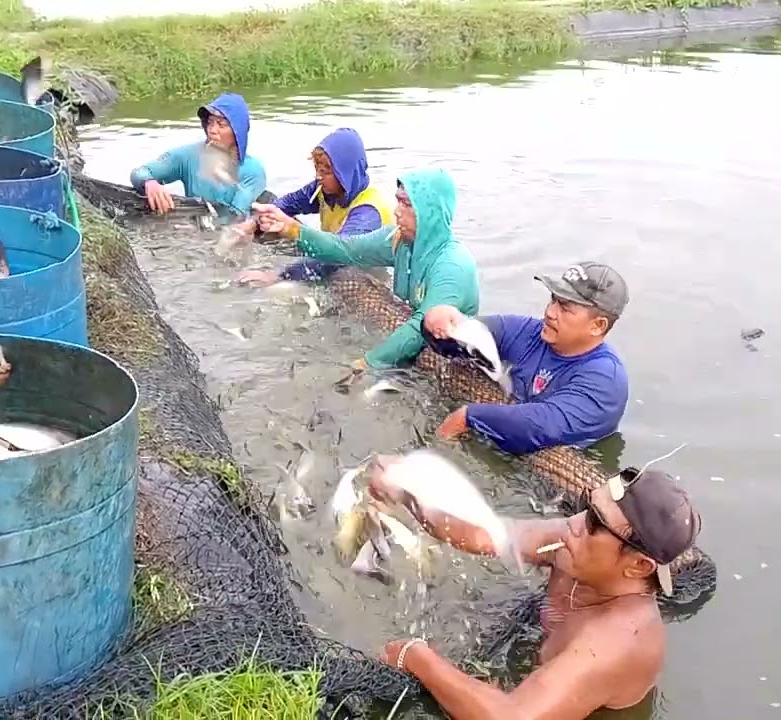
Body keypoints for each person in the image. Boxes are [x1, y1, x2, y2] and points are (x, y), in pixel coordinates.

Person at [367, 456, 702, 720]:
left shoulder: (618, 641)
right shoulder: (574, 544)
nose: (574, 523)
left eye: (595, 524)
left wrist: (414, 655)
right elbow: (487, 533)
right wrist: (409, 492)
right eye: (588, 506)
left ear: (639, 566)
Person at [248, 167, 478, 372]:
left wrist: (366, 364)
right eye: (398, 201)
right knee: (346, 276)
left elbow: (418, 330)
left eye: (407, 204)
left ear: (431, 211)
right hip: (409, 331)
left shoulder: (451, 266)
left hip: (451, 357)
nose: (397, 211)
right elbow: (343, 249)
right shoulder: (399, 241)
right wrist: (291, 228)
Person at [420, 261, 630, 455]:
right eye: (553, 300)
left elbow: (543, 425)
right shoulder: (531, 332)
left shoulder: (605, 378)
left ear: (597, 326)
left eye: (565, 308)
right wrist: (439, 323)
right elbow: (468, 335)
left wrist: (469, 416)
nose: (550, 312)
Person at [233, 127, 394, 286]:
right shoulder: (324, 189)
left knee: (338, 276)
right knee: (269, 208)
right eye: (317, 169)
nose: (318, 176)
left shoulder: (368, 211)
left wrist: (278, 274)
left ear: (345, 173)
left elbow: (339, 256)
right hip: (329, 253)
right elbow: (288, 203)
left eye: (325, 171)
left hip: (358, 275)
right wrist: (252, 224)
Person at [128, 92, 267, 216]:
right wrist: (149, 183)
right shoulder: (189, 156)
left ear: (238, 132)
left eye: (221, 125)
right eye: (210, 123)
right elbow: (140, 172)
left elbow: (235, 217)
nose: (212, 130)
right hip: (192, 227)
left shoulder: (252, 171)